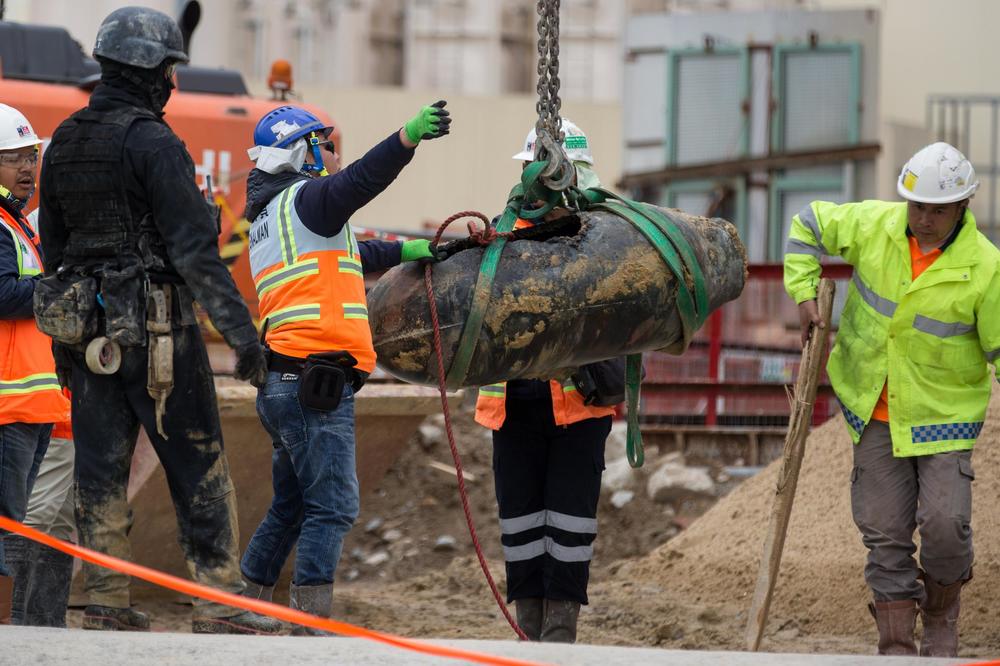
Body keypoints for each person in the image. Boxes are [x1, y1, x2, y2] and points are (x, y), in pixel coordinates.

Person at [37, 6, 278, 634]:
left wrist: (67, 343)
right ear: (149, 70)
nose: (173, 83)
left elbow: (54, 252)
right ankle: (221, 605)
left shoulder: (64, 139)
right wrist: (244, 338)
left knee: (100, 471)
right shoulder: (155, 142)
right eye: (170, 70)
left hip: (88, 338)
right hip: (159, 334)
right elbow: (195, 251)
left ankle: (107, 604)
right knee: (197, 463)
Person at [239, 101, 450, 633]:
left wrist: (414, 249)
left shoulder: (277, 216)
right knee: (332, 506)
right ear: (303, 153)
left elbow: (358, 251)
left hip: (286, 382)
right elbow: (360, 182)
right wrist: (406, 137)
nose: (336, 154)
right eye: (327, 145)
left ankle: (250, 608)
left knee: (291, 505)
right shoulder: (310, 199)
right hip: (316, 384)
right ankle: (309, 624)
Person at [783, 142, 1000, 657]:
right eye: (917, 206)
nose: (923, 219)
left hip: (943, 416)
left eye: (937, 210)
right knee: (884, 531)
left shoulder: (986, 268)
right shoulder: (874, 226)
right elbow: (807, 225)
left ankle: (942, 614)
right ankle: (897, 642)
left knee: (945, 526)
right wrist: (803, 292)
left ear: (962, 208)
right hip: (872, 408)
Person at [474, 119, 616, 644]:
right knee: (521, 524)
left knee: (570, 523)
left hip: (579, 403)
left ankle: (560, 631)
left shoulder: (602, 234)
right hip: (513, 405)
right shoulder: (503, 233)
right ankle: (529, 628)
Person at [0, 103, 71, 624]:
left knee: (16, 523)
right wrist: (60, 289)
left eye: (31, 156)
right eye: (13, 159)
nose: (27, 168)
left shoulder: (19, 225)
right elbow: (3, 293)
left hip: (31, 404)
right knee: (8, 528)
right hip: (9, 406)